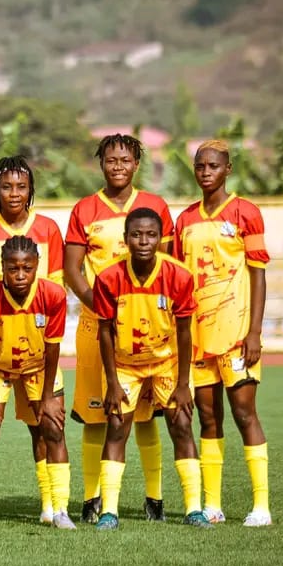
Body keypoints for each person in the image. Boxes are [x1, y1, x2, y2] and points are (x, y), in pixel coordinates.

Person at [64, 134, 173, 523]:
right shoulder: (85, 209)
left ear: (137, 164)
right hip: (98, 327)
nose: (118, 166)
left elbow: (168, 268)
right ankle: (91, 499)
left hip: (146, 330)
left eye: (126, 160)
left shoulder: (156, 206)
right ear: (101, 164)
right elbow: (72, 270)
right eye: (111, 160)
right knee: (97, 415)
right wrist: (100, 305)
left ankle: (154, 498)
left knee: (144, 417)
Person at [0, 156, 66, 526]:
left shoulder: (48, 228)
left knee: (43, 425)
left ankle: (51, 506)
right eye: (6, 186)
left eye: (21, 186)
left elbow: (55, 285)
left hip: (35, 341)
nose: (14, 193)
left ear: (31, 189)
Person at [92, 207, 211, 530]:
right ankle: (109, 512)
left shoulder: (179, 275)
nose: (143, 241)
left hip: (166, 362)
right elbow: (105, 331)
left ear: (160, 239)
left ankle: (194, 510)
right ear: (125, 239)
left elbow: (185, 332)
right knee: (117, 427)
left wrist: (183, 383)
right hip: (124, 365)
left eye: (151, 235)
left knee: (182, 424)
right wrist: (112, 382)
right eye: (136, 234)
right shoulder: (108, 277)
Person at [174, 139, 271, 527]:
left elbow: (258, 275)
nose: (206, 172)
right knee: (208, 418)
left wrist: (255, 332)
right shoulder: (185, 219)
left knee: (245, 413)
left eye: (213, 166)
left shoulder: (246, 212)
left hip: (236, 332)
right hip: (198, 336)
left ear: (227, 169)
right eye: (200, 166)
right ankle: (212, 504)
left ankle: (261, 506)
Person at [0, 235, 72, 531]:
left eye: (27, 268)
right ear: (2, 267)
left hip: (38, 366)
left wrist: (48, 396)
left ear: (37, 265)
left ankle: (58, 508)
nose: (20, 275)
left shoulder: (54, 294)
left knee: (52, 428)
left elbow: (53, 347)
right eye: (13, 269)